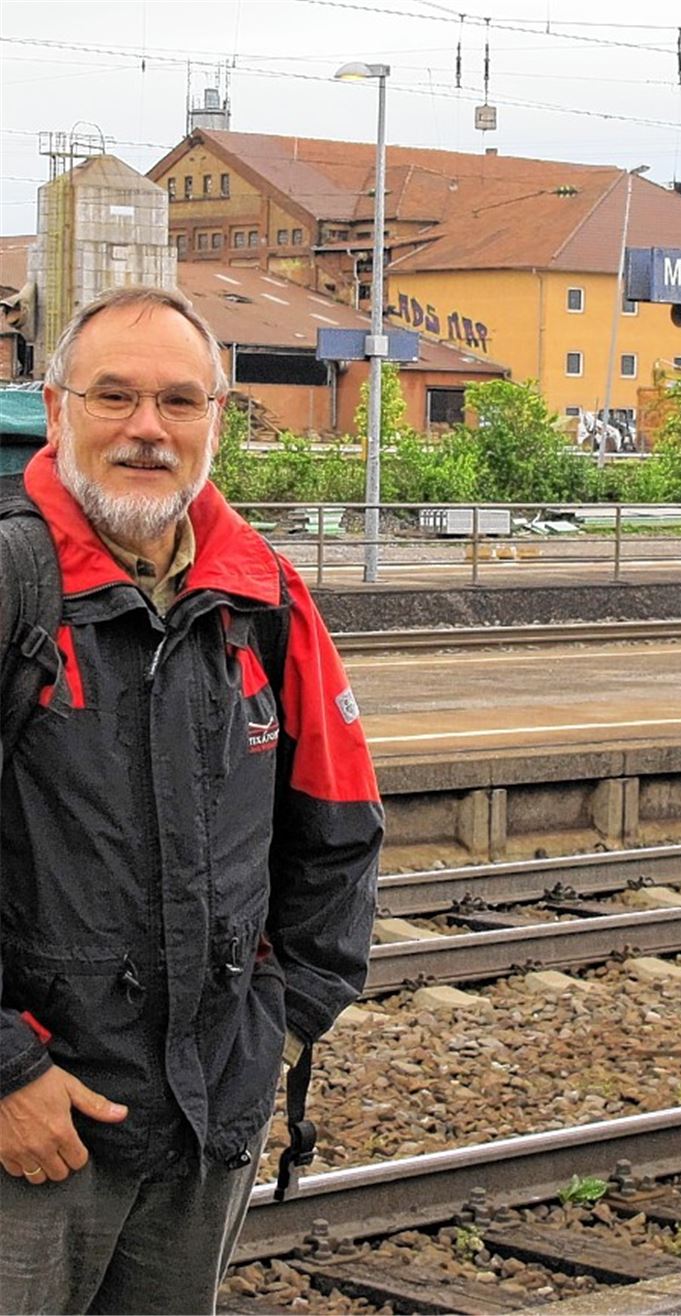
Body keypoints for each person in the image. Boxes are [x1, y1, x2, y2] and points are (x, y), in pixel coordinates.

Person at [0, 286, 384, 1315]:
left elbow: (338, 829)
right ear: (57, 401)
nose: (146, 429)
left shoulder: (261, 591)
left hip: (203, 1116)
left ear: (219, 414)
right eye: (114, 395)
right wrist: (3, 1069)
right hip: (26, 1128)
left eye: (179, 401)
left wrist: (275, 1029)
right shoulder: (12, 580)